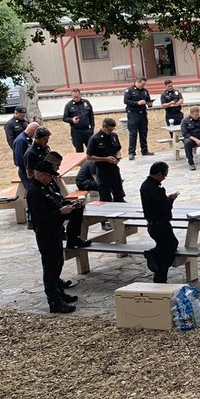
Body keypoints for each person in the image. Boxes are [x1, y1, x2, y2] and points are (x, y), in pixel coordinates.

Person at [26, 160, 88, 314]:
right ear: (40, 175)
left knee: (58, 262)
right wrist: (61, 212)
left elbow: (57, 201)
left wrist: (70, 205)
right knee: (50, 267)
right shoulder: (34, 191)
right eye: (49, 176)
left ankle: (59, 293)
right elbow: (41, 217)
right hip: (45, 233)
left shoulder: (48, 186)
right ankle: (54, 301)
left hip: (55, 230)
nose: (51, 178)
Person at [140, 161, 179, 283]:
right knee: (168, 249)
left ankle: (157, 266)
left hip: (152, 225)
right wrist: (170, 200)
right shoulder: (156, 189)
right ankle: (158, 271)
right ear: (159, 174)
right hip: (160, 225)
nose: (164, 178)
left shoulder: (145, 185)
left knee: (167, 246)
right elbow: (164, 208)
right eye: (164, 175)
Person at [86, 118, 125, 202]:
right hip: (102, 170)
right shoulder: (94, 139)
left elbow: (118, 149)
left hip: (114, 168)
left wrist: (118, 157)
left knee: (118, 192)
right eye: (109, 130)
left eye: (112, 130)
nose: (110, 132)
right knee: (105, 195)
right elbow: (89, 157)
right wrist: (105, 159)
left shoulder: (114, 136)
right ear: (104, 127)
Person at [123, 76, 154, 159]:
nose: (142, 86)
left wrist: (149, 104)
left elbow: (148, 100)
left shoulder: (145, 91)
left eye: (144, 85)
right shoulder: (129, 90)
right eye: (142, 84)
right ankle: (131, 152)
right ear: (137, 82)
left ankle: (144, 150)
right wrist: (137, 103)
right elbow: (126, 101)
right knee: (133, 134)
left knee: (143, 132)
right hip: (133, 114)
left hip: (143, 114)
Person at [13, 121, 38, 191]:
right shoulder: (21, 140)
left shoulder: (26, 139)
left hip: (29, 168)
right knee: (31, 190)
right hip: (25, 170)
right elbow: (20, 159)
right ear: (33, 130)